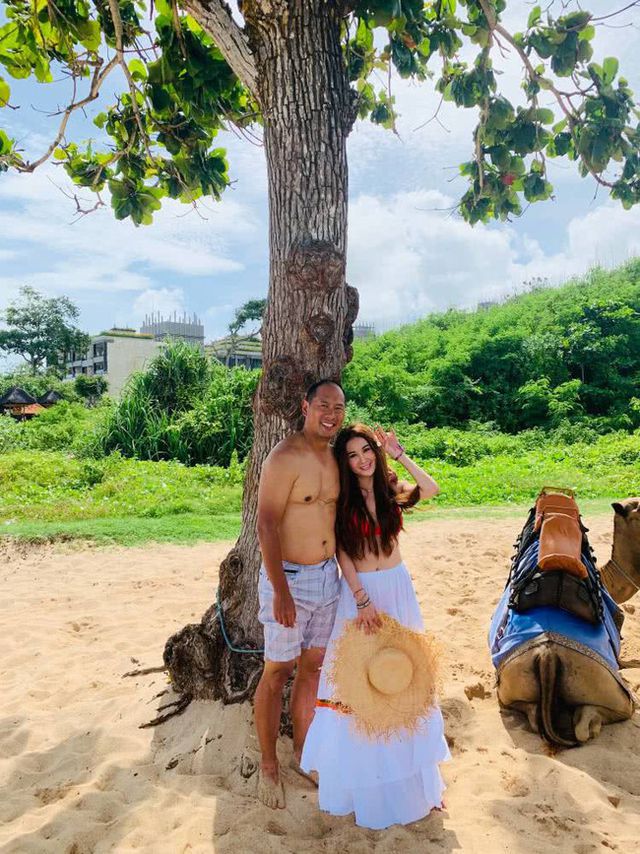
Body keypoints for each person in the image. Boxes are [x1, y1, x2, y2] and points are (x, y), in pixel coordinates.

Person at [301, 423, 450, 830]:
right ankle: (368, 791)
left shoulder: (390, 487)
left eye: (366, 450)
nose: (362, 460)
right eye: (352, 455)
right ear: (344, 462)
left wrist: (399, 454)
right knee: (362, 687)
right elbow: (343, 554)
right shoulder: (342, 499)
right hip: (361, 593)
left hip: (399, 589)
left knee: (405, 680)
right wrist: (361, 599)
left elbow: (431, 489)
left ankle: (417, 788)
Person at [254, 379, 346, 809]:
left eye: (339, 408)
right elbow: (266, 524)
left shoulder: (335, 459)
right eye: (324, 405)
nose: (332, 414)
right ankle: (268, 764)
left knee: (312, 668)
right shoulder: (284, 457)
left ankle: (302, 754)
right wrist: (280, 591)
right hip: (288, 578)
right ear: (305, 407)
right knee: (277, 671)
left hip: (328, 578)